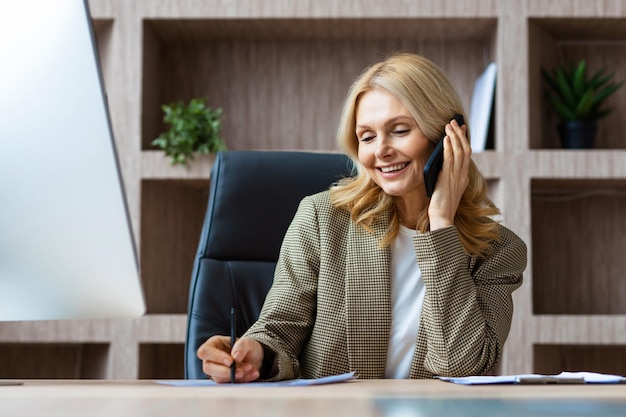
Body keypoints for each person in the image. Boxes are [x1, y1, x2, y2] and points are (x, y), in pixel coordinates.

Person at [198, 52, 527, 383]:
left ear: (448, 138)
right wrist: (255, 353)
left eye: (399, 130)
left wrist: (441, 222)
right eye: (367, 137)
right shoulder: (322, 219)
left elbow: (462, 364)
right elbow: (279, 329)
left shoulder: (497, 251)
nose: (380, 150)